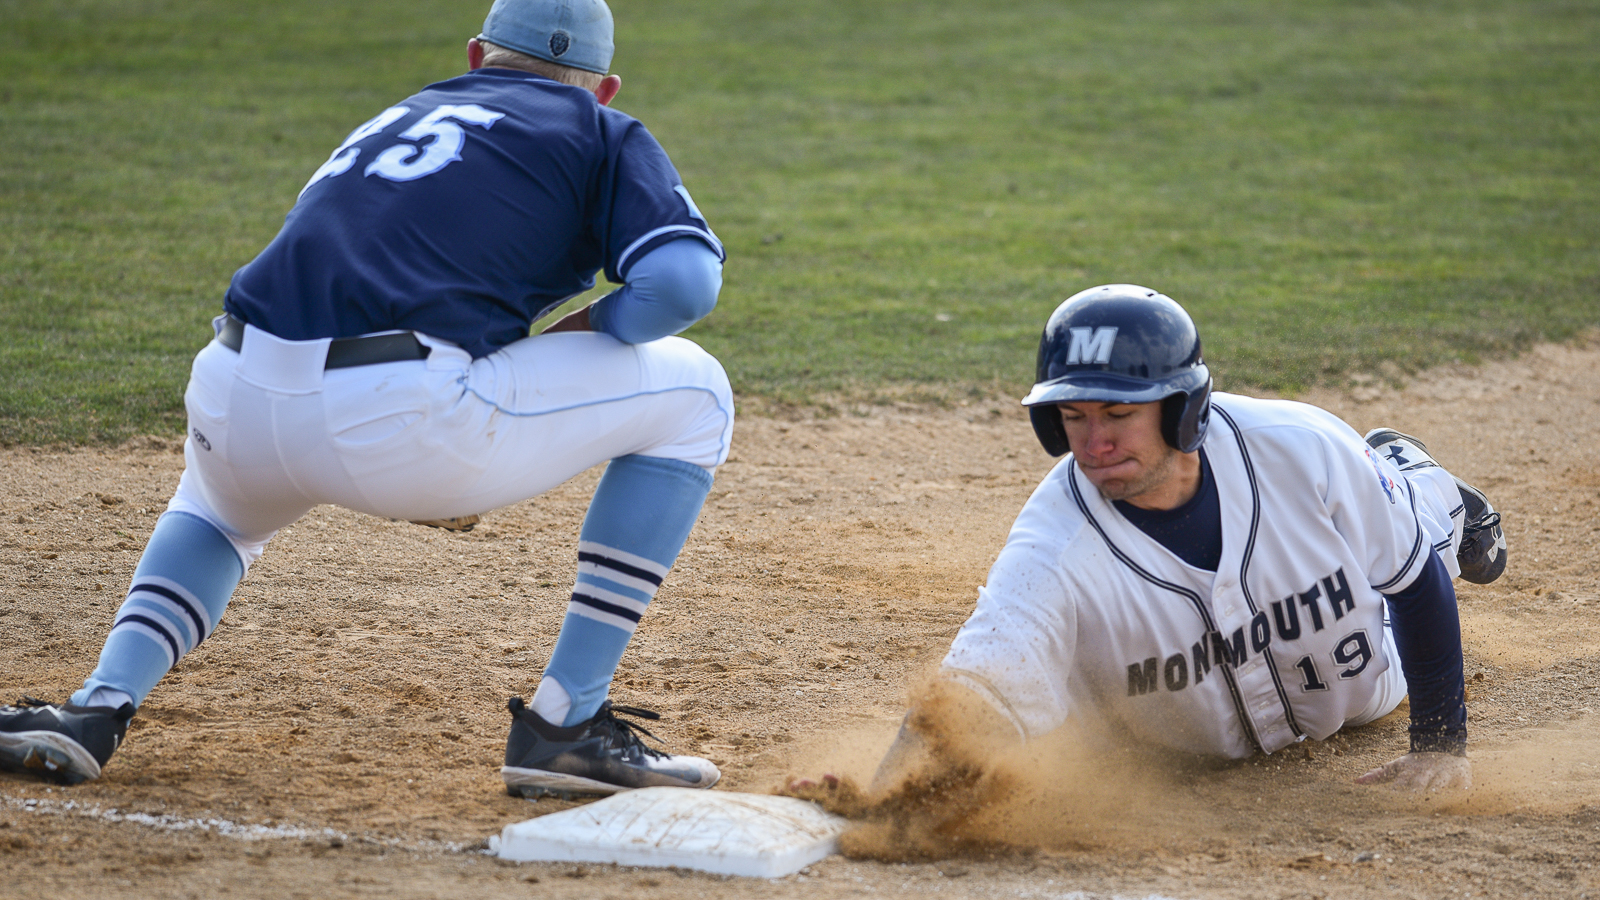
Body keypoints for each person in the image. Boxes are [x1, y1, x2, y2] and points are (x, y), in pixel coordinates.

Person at [0, 0, 733, 800]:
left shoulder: (405, 112)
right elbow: (683, 285)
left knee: (218, 515)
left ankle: (96, 708)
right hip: (402, 423)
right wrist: (582, 329)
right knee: (699, 393)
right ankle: (567, 725)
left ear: (476, 57)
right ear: (605, 88)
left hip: (233, 390)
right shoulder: (600, 130)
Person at [863, 284, 1506, 796]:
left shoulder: (1301, 447)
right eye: (1074, 417)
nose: (1096, 442)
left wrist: (1439, 746)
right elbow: (976, 691)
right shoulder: (1050, 548)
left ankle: (1416, 478)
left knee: (1408, 539)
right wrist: (880, 806)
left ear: (1183, 410)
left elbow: (1415, 585)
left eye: (1119, 414)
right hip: (1198, 742)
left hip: (1364, 680)